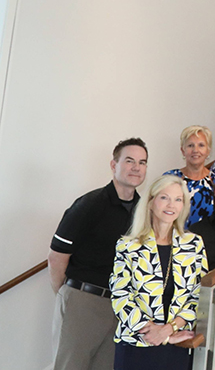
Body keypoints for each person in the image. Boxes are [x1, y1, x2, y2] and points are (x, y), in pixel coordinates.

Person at [48, 138, 148, 370]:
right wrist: (67, 294)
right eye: (129, 160)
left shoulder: (143, 211)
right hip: (83, 301)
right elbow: (56, 256)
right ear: (114, 165)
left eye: (142, 162)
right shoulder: (89, 204)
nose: (136, 167)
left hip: (119, 306)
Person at [110, 174, 207, 370]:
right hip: (135, 344)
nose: (171, 205)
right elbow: (120, 297)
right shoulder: (128, 245)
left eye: (178, 200)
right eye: (165, 198)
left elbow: (198, 297)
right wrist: (156, 334)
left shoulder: (194, 244)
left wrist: (169, 331)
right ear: (150, 202)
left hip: (178, 346)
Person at [164, 125, 215, 227]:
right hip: (174, 238)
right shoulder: (170, 178)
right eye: (190, 145)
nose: (195, 150)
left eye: (201, 145)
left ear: (208, 151)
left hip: (207, 240)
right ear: (183, 150)